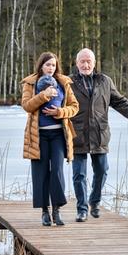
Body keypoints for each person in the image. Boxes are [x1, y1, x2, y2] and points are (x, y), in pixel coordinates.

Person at [70, 48, 128, 222]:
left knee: (102, 171)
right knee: (79, 175)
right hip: (77, 135)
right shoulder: (68, 83)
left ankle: (94, 201)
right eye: (82, 61)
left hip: (100, 134)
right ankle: (82, 209)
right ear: (76, 64)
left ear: (94, 63)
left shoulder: (104, 81)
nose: (85, 64)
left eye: (88, 61)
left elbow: (120, 102)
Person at [21, 52, 79, 226]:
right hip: (38, 135)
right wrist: (44, 95)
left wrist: (59, 112)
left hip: (58, 135)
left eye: (53, 65)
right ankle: (44, 212)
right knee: (41, 173)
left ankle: (57, 210)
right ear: (41, 66)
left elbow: (74, 107)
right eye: (47, 65)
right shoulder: (30, 83)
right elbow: (27, 106)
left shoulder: (64, 82)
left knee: (57, 171)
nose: (51, 68)